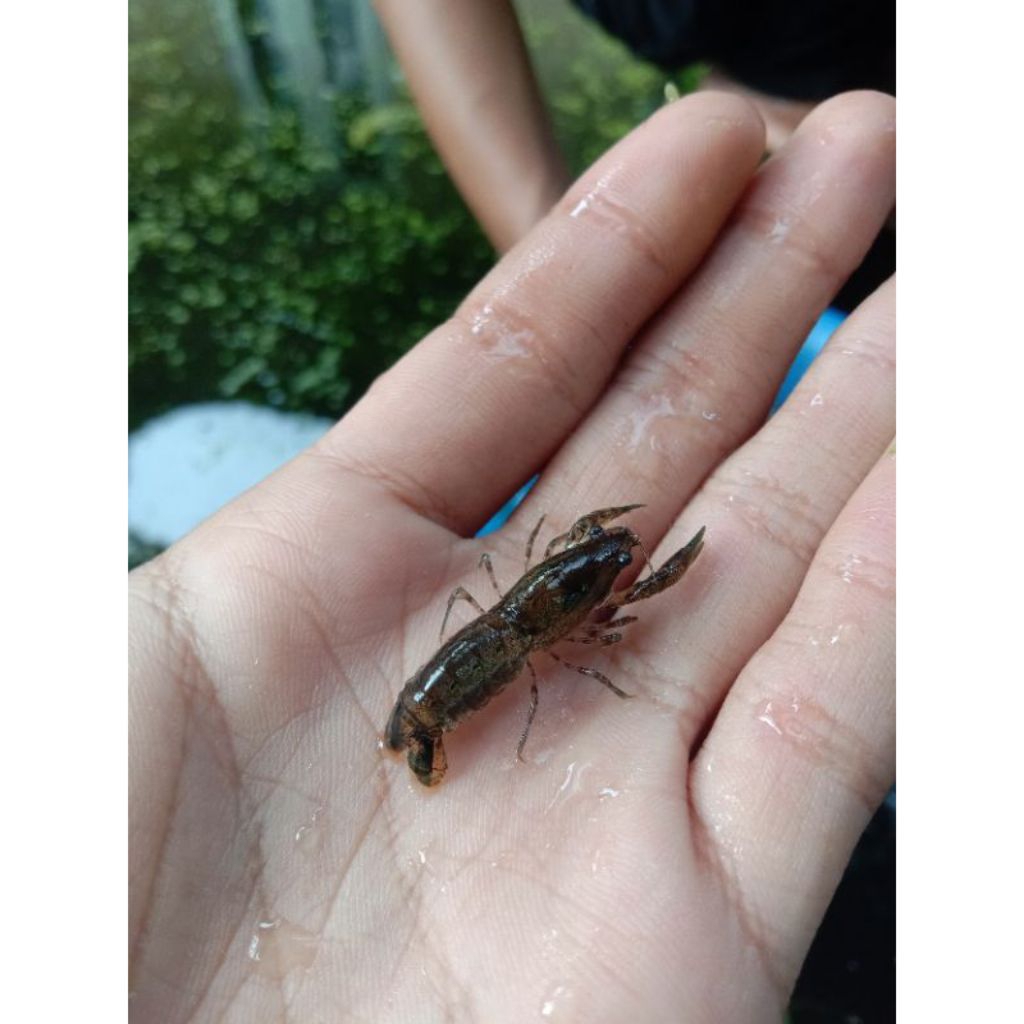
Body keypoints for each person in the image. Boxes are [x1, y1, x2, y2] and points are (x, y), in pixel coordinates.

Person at [129, 89, 895, 1021]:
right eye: (604, 558)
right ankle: (424, 724)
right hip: (477, 664)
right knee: (574, 638)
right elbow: (603, 610)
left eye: (606, 559)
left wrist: (597, 562)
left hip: (495, 629)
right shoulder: (561, 627)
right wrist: (619, 594)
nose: (613, 559)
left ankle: (419, 716)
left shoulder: (550, 575)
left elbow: (580, 561)